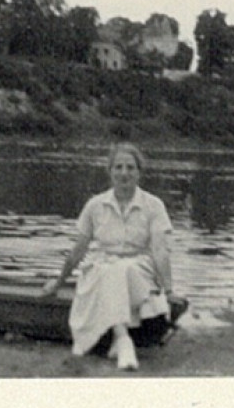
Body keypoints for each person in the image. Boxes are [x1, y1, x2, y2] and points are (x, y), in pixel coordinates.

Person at [41, 143, 174, 371]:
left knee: (120, 270)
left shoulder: (154, 205)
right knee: (109, 270)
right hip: (100, 266)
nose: (124, 173)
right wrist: (59, 282)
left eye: (130, 167)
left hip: (138, 270)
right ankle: (122, 339)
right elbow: (78, 250)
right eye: (118, 167)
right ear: (110, 171)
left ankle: (120, 341)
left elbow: (160, 251)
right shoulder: (95, 205)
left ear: (139, 172)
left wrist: (169, 291)